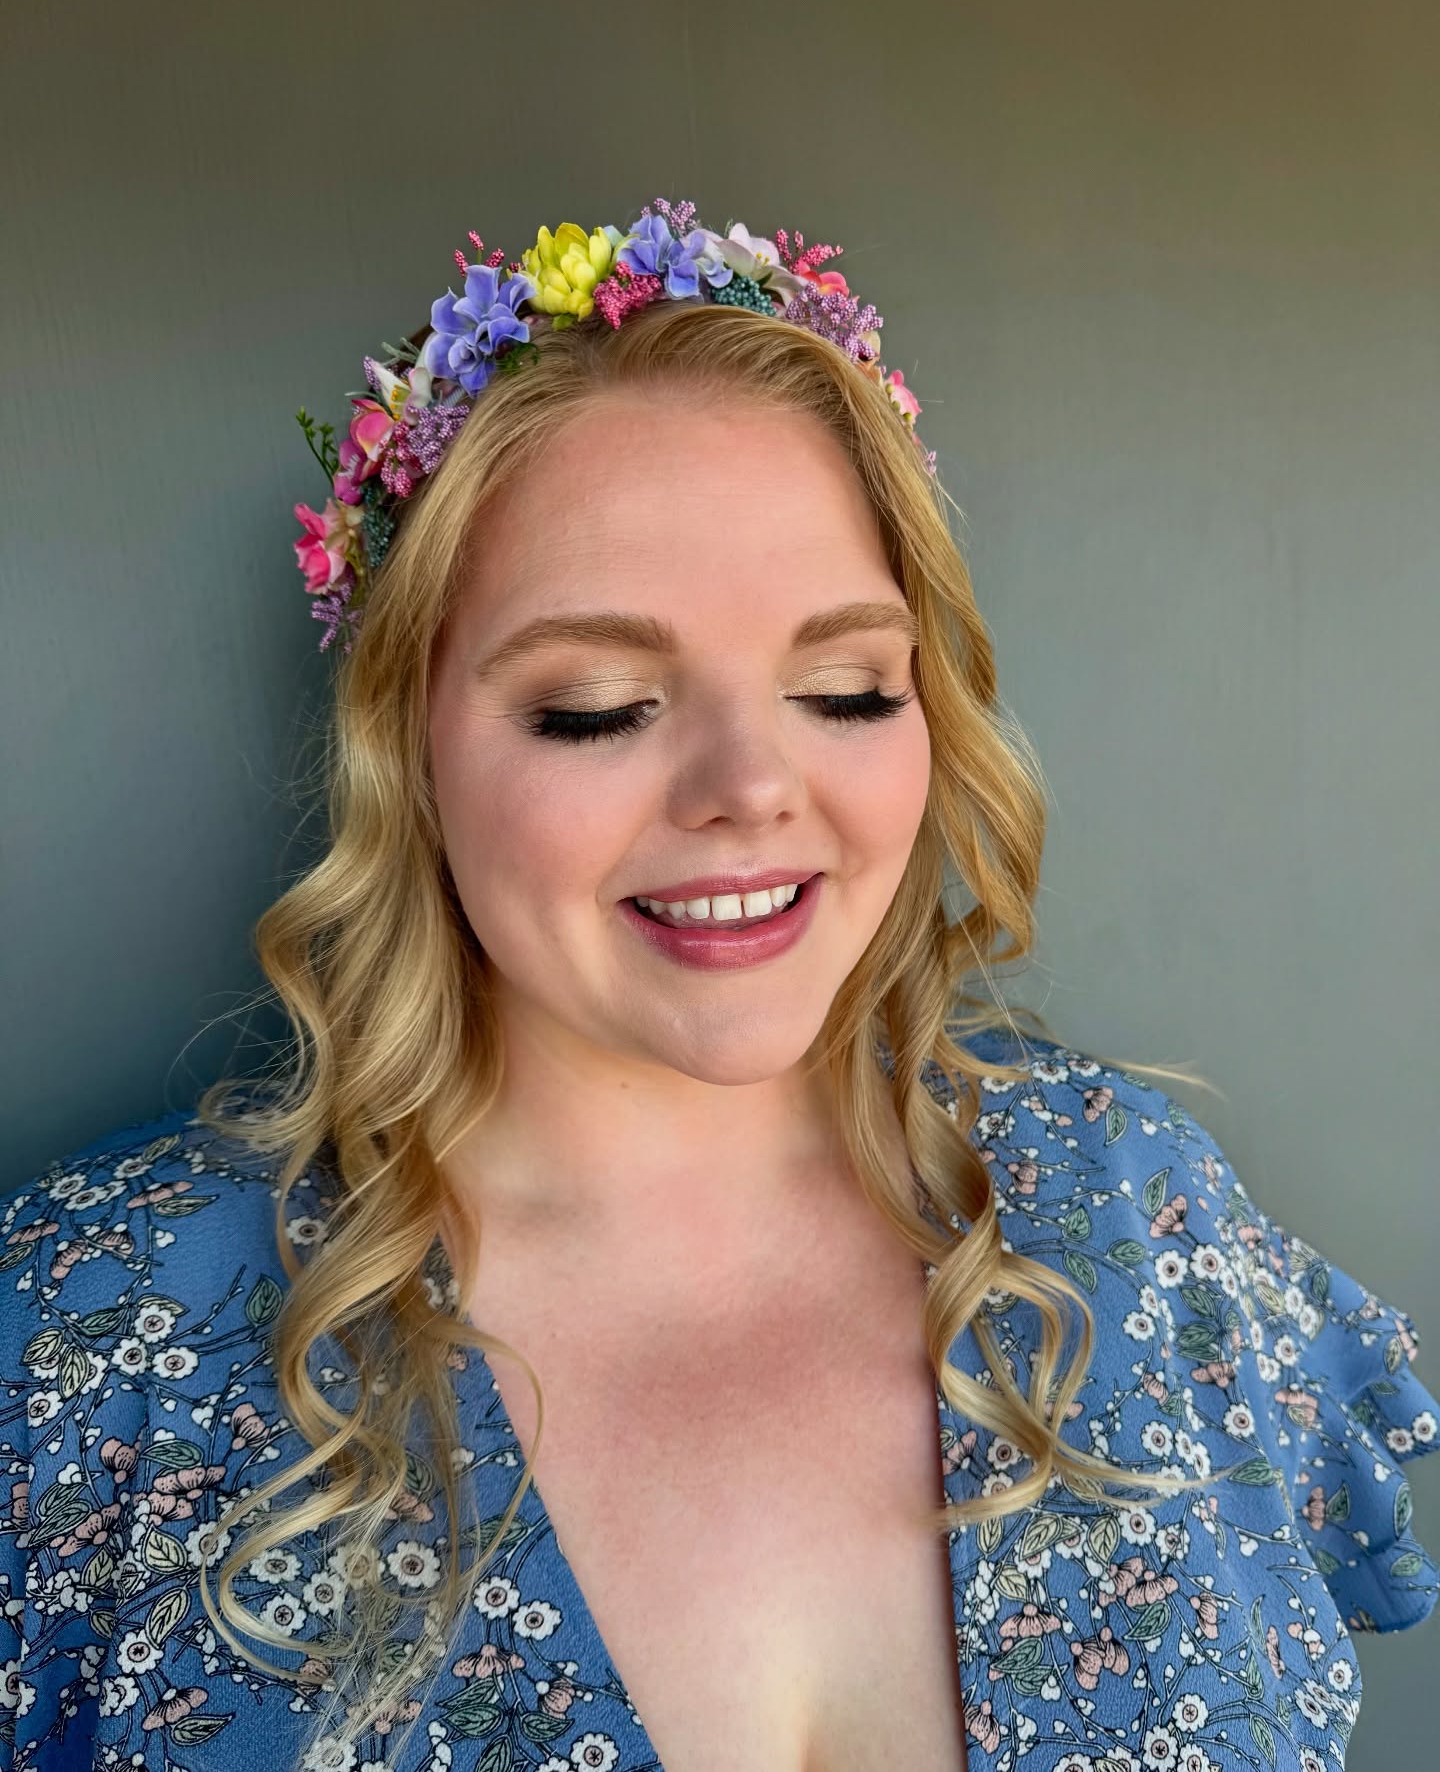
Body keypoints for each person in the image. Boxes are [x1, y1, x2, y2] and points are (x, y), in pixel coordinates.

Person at [1, 198, 1433, 1772]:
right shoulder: (96, 1343)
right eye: (600, 706)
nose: (752, 786)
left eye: (843, 687)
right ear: (409, 749)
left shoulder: (1147, 1224)